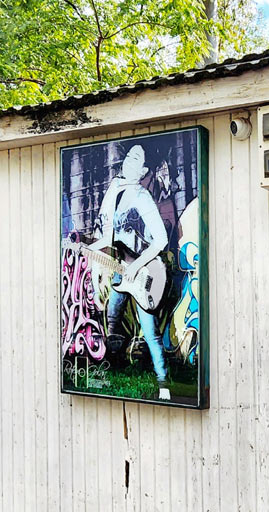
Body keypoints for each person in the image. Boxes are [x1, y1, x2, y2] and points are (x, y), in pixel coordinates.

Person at [89, 144, 171, 401]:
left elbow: (160, 241)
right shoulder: (114, 191)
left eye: (136, 158)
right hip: (119, 268)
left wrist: (136, 266)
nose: (127, 161)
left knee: (150, 332)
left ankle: (164, 385)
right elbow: (107, 235)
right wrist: (87, 249)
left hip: (143, 272)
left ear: (144, 170)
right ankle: (114, 369)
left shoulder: (142, 197)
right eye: (127, 156)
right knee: (111, 315)